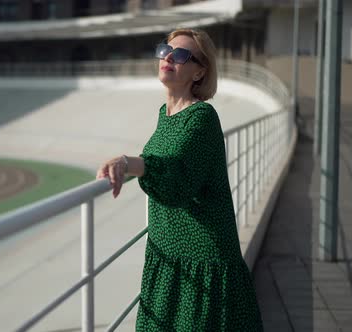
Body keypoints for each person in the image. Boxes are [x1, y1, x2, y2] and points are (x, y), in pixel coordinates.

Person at [96, 29, 263, 331]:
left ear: (199, 72)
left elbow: (178, 179)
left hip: (201, 263)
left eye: (181, 55)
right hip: (167, 255)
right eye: (165, 50)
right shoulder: (165, 114)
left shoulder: (203, 117)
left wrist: (127, 162)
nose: (168, 57)